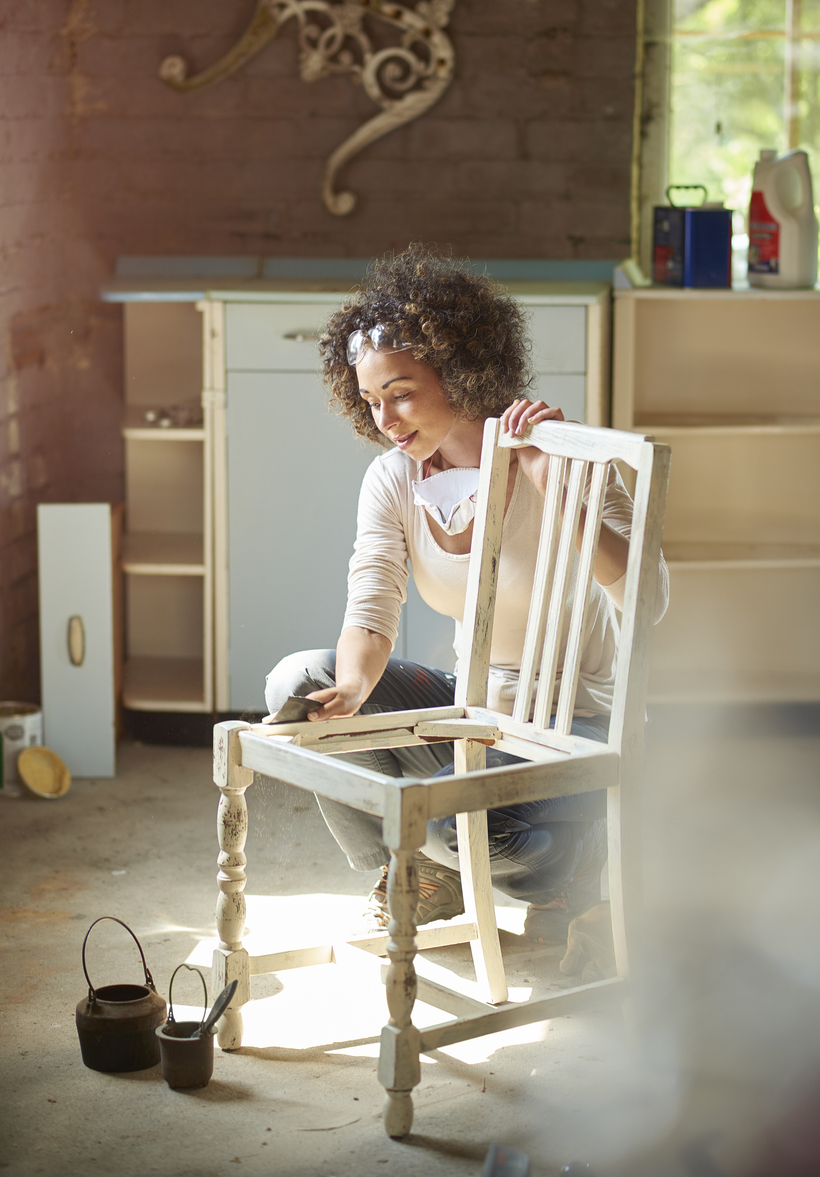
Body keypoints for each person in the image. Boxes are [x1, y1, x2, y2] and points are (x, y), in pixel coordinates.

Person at [265, 243, 668, 944]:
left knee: (464, 827)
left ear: (457, 367)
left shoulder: (563, 453)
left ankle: (569, 871)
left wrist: (557, 487)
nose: (385, 419)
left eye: (401, 392)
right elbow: (371, 601)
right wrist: (353, 693)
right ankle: (416, 869)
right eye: (369, 399)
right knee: (300, 679)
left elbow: (650, 599)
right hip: (478, 712)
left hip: (577, 730)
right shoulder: (394, 478)